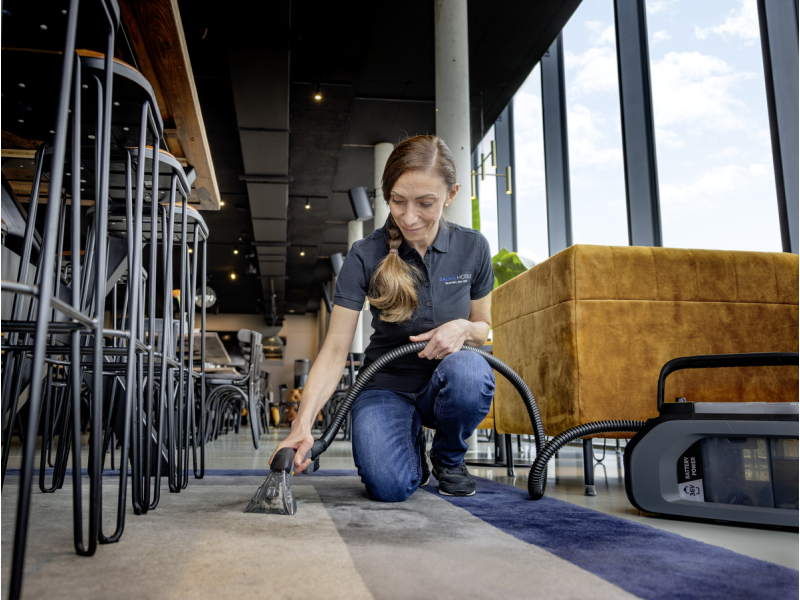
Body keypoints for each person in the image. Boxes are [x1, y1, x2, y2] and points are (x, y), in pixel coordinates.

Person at [271, 135, 495, 501]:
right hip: (385, 384)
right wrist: (302, 423)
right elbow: (335, 349)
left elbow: (483, 328)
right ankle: (411, 449)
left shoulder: (473, 247)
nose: (409, 217)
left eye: (425, 203)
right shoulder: (366, 254)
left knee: (471, 371)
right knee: (388, 487)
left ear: (451, 195)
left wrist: (463, 328)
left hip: (446, 382)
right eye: (397, 200)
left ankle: (448, 456)